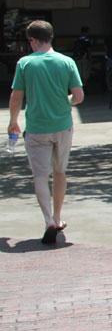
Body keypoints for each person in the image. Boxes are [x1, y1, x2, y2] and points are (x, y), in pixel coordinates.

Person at [8, 20, 85, 244]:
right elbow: (78, 97)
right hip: (62, 126)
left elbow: (16, 97)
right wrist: (65, 102)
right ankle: (59, 216)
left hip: (37, 129)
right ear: (50, 37)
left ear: (32, 40)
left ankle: (48, 219)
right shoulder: (66, 62)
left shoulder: (25, 63)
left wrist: (13, 121)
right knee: (60, 172)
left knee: (40, 176)